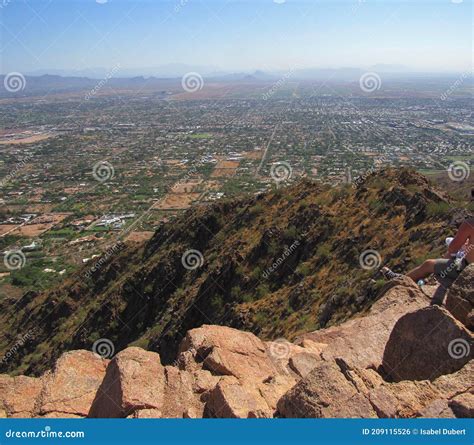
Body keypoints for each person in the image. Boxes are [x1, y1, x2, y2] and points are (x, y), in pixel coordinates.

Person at [381, 218, 473, 302]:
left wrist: (464, 245)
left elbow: (453, 248)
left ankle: (400, 281)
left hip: (467, 270)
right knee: (452, 256)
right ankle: (428, 279)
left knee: (428, 264)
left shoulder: (470, 224)